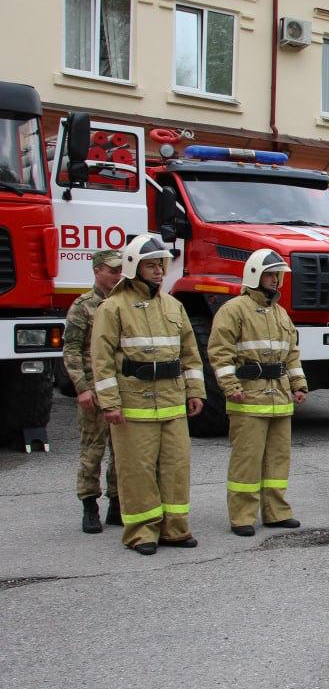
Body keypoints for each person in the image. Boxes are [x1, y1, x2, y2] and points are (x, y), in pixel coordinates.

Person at [90, 234, 205, 555]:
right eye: (151, 266)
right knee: (137, 471)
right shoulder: (112, 308)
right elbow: (102, 360)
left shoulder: (173, 306)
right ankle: (141, 532)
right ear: (133, 267)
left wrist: (195, 390)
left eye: (161, 265)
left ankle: (175, 529)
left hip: (172, 404)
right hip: (133, 406)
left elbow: (190, 354)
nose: (158, 272)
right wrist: (110, 404)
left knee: (176, 467)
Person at [207, 250, 307, 537]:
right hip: (248, 399)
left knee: (278, 460)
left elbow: (292, 356)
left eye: (278, 275)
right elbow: (219, 352)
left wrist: (299, 385)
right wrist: (230, 387)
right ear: (254, 275)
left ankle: (276, 513)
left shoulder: (280, 314)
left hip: (279, 399)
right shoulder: (234, 310)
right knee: (246, 461)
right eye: (270, 274)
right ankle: (242, 516)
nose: (275, 281)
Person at [63, 248, 122, 534]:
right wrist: (82, 388)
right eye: (111, 270)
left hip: (119, 388)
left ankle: (116, 504)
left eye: (120, 270)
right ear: (97, 271)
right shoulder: (83, 306)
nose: (117, 275)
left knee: (121, 451)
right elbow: (72, 350)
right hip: (93, 390)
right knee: (92, 451)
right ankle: (89, 506)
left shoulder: (124, 303)